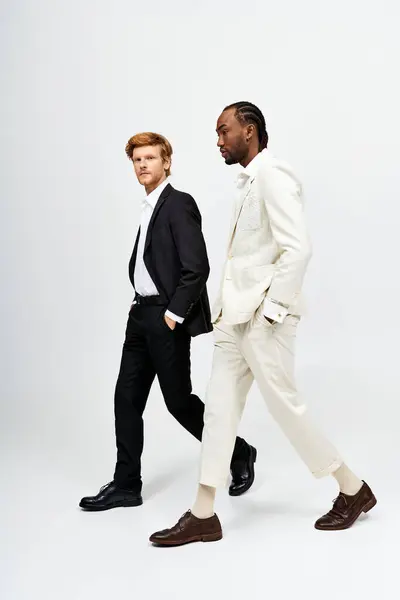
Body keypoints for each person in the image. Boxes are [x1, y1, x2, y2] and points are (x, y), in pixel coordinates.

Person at [149, 103, 376, 545]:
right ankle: (203, 513)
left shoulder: (274, 175)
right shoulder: (248, 181)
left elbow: (298, 250)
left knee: (285, 408)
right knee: (218, 412)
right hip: (234, 320)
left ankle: (353, 489)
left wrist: (270, 311)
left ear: (249, 131)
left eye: (223, 132)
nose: (218, 141)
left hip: (262, 319)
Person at [79, 132, 256, 511]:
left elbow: (197, 268)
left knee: (178, 403)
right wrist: (141, 305)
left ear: (166, 162)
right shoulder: (148, 207)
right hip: (139, 316)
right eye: (137, 160)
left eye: (150, 158)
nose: (142, 165)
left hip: (165, 319)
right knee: (125, 400)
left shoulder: (178, 204)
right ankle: (127, 484)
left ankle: (238, 452)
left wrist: (172, 316)